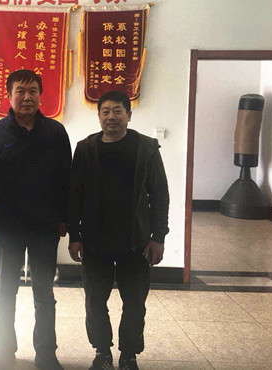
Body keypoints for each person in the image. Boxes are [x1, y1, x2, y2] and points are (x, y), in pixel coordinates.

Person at [0, 69, 71, 370]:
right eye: (20, 91)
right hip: (7, 226)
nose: (27, 97)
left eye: (33, 91)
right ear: (9, 95)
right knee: (5, 292)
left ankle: (46, 354)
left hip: (45, 226)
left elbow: (66, 180)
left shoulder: (55, 132)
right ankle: (4, 352)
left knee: (44, 293)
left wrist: (66, 218)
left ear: (41, 96)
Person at [67, 90, 169, 370]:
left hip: (135, 240)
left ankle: (129, 355)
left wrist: (158, 237)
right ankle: (102, 351)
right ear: (99, 116)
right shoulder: (86, 148)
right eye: (105, 112)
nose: (111, 117)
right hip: (94, 240)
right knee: (95, 301)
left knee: (135, 302)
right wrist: (75, 235)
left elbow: (160, 194)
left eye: (117, 111)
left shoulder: (146, 149)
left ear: (129, 115)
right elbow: (75, 194)